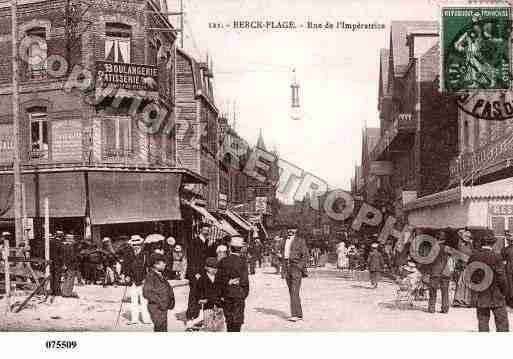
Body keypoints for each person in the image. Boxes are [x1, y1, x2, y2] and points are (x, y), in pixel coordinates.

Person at [468, 233, 510, 332]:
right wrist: (505, 292)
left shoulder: (473, 257)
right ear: (493, 244)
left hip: (481, 294)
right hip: (496, 295)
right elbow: (502, 278)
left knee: (483, 323)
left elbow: (470, 276)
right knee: (502, 324)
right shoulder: (496, 257)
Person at [215, 236, 249, 332]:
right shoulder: (243, 262)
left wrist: (227, 284)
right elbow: (245, 281)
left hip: (227, 294)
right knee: (237, 321)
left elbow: (218, 280)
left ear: (230, 248)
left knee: (229, 320)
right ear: (241, 249)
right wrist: (243, 293)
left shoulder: (223, 261)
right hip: (239, 294)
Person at [185, 223, 216, 328]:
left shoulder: (208, 242)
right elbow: (191, 259)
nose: (206, 232)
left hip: (204, 274)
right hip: (196, 274)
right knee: (194, 295)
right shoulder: (194, 242)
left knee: (204, 295)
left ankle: (199, 318)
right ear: (200, 230)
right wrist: (195, 273)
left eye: (208, 230)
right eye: (205, 230)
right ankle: (190, 317)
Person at [281, 227, 309, 322]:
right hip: (287, 267)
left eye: (292, 229)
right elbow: (283, 254)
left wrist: (299, 266)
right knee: (292, 291)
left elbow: (305, 255)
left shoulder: (300, 241)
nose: (290, 231)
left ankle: (294, 315)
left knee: (294, 291)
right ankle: (299, 314)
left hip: (295, 267)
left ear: (296, 230)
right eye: (288, 229)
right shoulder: (284, 241)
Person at [143, 253, 175, 332]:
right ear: (156, 264)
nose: (165, 264)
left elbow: (167, 289)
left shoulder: (160, 275)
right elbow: (147, 292)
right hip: (157, 308)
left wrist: (170, 301)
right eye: (163, 262)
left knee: (162, 328)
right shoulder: (151, 276)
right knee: (160, 329)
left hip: (162, 308)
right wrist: (161, 302)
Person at [125, 235, 151, 325]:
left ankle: (146, 319)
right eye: (134, 244)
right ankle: (134, 319)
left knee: (144, 301)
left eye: (137, 244)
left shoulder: (145, 254)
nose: (136, 246)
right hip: (132, 281)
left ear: (141, 244)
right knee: (134, 300)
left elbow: (149, 267)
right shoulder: (128, 254)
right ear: (131, 245)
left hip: (143, 280)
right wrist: (127, 275)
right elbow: (126, 266)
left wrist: (147, 279)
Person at [428, 230, 452, 314]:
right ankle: (445, 309)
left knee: (433, 290)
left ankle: (431, 308)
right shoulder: (448, 248)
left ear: (436, 238)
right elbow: (451, 259)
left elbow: (429, 260)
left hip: (435, 271)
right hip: (446, 271)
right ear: (444, 239)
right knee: (445, 291)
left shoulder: (434, 247)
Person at [49, 231, 65, 297]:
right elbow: (61, 254)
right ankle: (57, 291)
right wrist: (63, 263)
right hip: (58, 262)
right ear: (61, 236)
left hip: (51, 262)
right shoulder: (60, 243)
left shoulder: (50, 242)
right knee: (57, 277)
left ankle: (52, 290)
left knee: (52, 276)